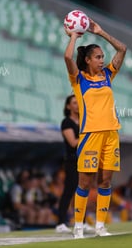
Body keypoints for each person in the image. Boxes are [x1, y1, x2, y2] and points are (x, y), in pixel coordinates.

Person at [63, 17, 127, 238]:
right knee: (85, 181)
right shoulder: (79, 80)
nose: (102, 60)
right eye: (98, 57)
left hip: (111, 134)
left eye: (102, 57)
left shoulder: (108, 75)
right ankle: (78, 226)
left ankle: (100, 226)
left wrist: (101, 32)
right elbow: (67, 57)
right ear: (88, 60)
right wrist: (73, 36)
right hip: (90, 135)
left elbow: (123, 48)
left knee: (106, 180)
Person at [55, 95, 79, 234]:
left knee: (82, 191)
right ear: (68, 106)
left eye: (78, 103)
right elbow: (73, 142)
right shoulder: (67, 123)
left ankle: (80, 221)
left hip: (84, 160)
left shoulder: (83, 120)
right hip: (71, 160)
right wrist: (88, 134)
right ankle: (60, 222)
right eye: (74, 103)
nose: (77, 105)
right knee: (69, 191)